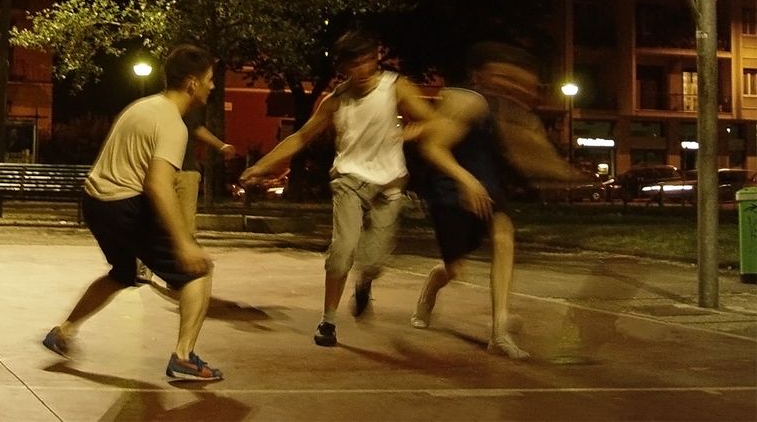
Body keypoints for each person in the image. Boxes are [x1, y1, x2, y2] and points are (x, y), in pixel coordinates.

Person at [240, 30, 435, 347]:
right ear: (342, 67)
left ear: (376, 60)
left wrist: (412, 133)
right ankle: (328, 321)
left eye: (367, 61)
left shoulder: (395, 87)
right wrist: (261, 166)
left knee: (373, 262)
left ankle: (365, 283)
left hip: (388, 183)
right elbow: (301, 137)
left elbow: (431, 120)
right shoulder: (335, 102)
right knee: (342, 251)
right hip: (348, 180)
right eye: (353, 63)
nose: (361, 70)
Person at [41, 44, 224, 382]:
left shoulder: (141, 106)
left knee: (123, 273)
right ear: (191, 84)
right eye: (209, 79)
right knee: (199, 273)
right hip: (125, 204)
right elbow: (158, 184)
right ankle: (183, 356)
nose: (213, 86)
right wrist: (184, 243)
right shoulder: (173, 123)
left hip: (95, 202)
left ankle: (62, 333)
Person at [409, 41, 583, 360]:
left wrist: (571, 174)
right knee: (454, 268)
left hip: (486, 186)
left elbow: (531, 156)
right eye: (503, 77)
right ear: (482, 76)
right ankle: (431, 289)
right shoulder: (466, 101)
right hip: (449, 185)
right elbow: (433, 148)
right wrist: (466, 180)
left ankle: (498, 331)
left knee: (504, 235)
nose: (512, 85)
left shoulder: (515, 114)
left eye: (518, 80)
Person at [137, 111, 234, 282]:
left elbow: (197, 129)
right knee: (154, 219)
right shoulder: (160, 107)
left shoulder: (192, 109)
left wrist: (220, 146)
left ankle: (178, 271)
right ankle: (147, 265)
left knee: (187, 224)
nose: (210, 87)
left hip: (187, 171)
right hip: (162, 170)